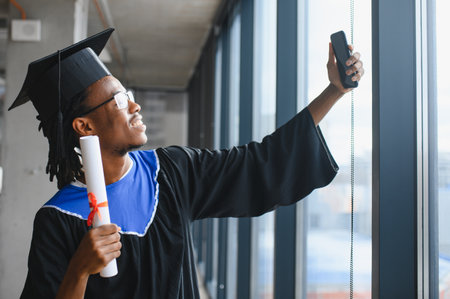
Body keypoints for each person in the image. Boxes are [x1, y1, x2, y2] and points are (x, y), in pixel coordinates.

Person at [10, 28, 364, 298]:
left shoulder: (170, 172)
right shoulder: (58, 219)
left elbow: (257, 163)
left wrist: (333, 91)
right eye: (119, 101)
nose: (135, 106)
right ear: (84, 126)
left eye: (129, 95)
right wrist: (79, 271)